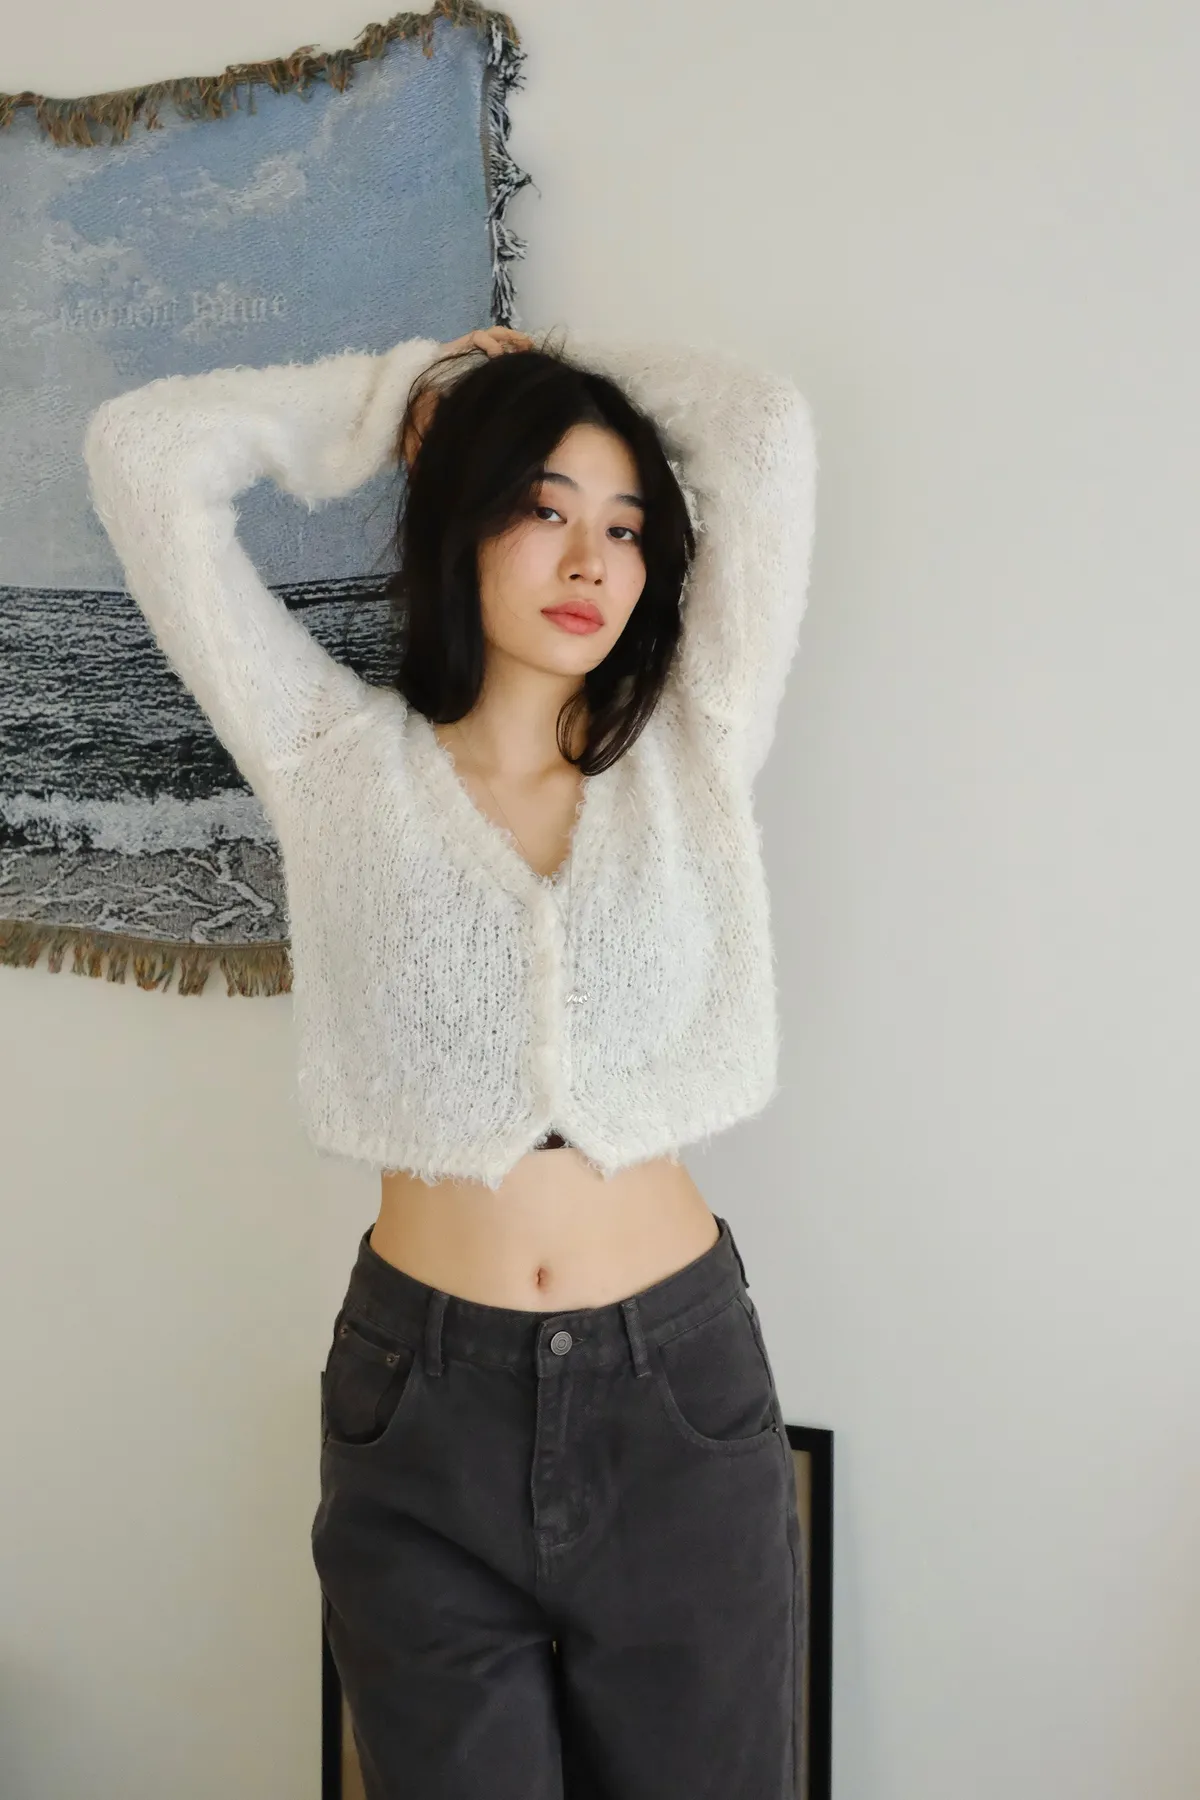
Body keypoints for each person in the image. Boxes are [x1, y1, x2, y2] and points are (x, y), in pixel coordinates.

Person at [83, 320, 818, 1798]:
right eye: (543, 507)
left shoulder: (693, 746)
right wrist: (404, 394)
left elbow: (763, 429)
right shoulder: (333, 764)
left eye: (625, 526)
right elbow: (143, 460)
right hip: (422, 1411)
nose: (591, 559)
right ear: (462, 518)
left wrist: (555, 363)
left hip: (673, 1401)